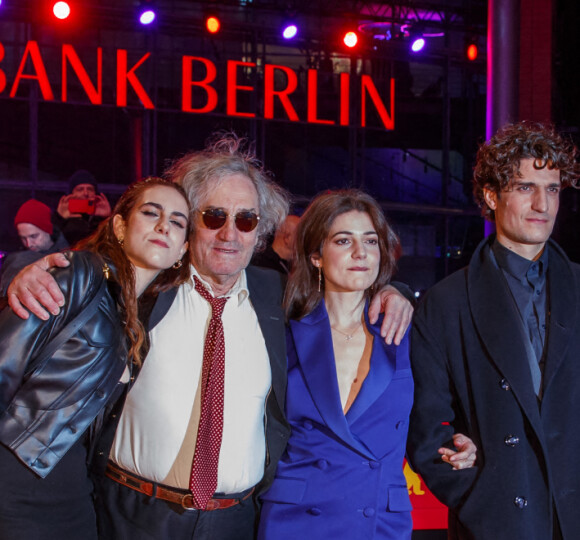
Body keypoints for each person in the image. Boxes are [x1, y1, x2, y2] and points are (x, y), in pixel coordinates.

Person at [7, 134, 413, 540]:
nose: (230, 233)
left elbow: (342, 283)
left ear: (260, 232)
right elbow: (97, 270)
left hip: (235, 522)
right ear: (188, 222)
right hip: (132, 514)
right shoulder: (148, 287)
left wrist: (389, 293)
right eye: (214, 216)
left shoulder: (276, 295)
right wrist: (35, 272)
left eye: (246, 220)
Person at [258, 190, 475, 540]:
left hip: (377, 521)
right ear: (316, 255)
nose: (361, 253)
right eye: (344, 240)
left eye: (370, 241)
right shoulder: (281, 331)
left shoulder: (408, 332)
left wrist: (461, 441)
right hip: (295, 518)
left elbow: (435, 414)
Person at [406, 121, 580, 540]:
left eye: (552, 189)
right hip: (499, 522)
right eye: (525, 187)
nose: (542, 203)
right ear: (490, 196)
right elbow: (426, 431)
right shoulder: (446, 302)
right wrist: (479, 501)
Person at [0, 177, 190, 540]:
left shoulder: (139, 315)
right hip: (16, 477)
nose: (164, 225)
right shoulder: (79, 272)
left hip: (71, 486)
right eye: (151, 213)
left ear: (182, 249)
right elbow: (4, 363)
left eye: (178, 222)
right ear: (120, 226)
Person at [0, 199, 69, 295]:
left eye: (34, 236)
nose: (29, 244)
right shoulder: (15, 257)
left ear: (48, 230)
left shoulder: (69, 252)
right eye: (23, 238)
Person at [54, 169, 112, 246]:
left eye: (90, 189)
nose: (85, 193)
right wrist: (59, 218)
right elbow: (50, 243)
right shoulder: (63, 217)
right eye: (80, 189)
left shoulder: (100, 218)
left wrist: (107, 218)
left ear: (95, 193)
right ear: (71, 193)